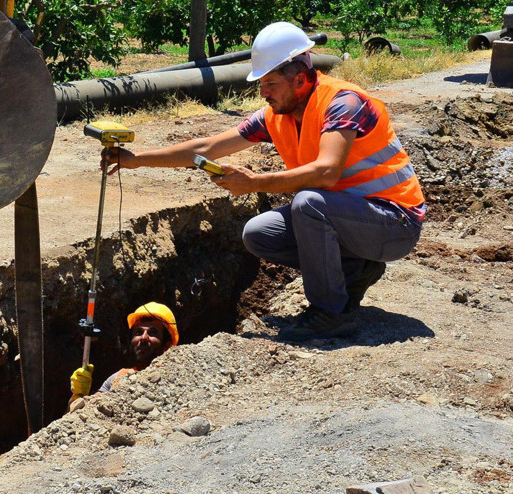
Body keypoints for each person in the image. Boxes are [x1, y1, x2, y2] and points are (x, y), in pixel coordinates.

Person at [102, 22, 425, 341]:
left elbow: (327, 172)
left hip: (395, 223)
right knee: (259, 234)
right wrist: (136, 160)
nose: (263, 92)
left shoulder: (343, 102)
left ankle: (332, 313)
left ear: (299, 79)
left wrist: (254, 182)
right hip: (351, 219)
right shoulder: (277, 115)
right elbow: (207, 148)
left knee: (308, 203)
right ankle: (355, 269)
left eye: (270, 83)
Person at [70, 302, 179, 399]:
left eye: (153, 333)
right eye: (138, 332)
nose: (143, 337)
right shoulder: (119, 377)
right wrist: (78, 396)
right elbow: (76, 416)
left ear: (167, 344)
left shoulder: (176, 382)